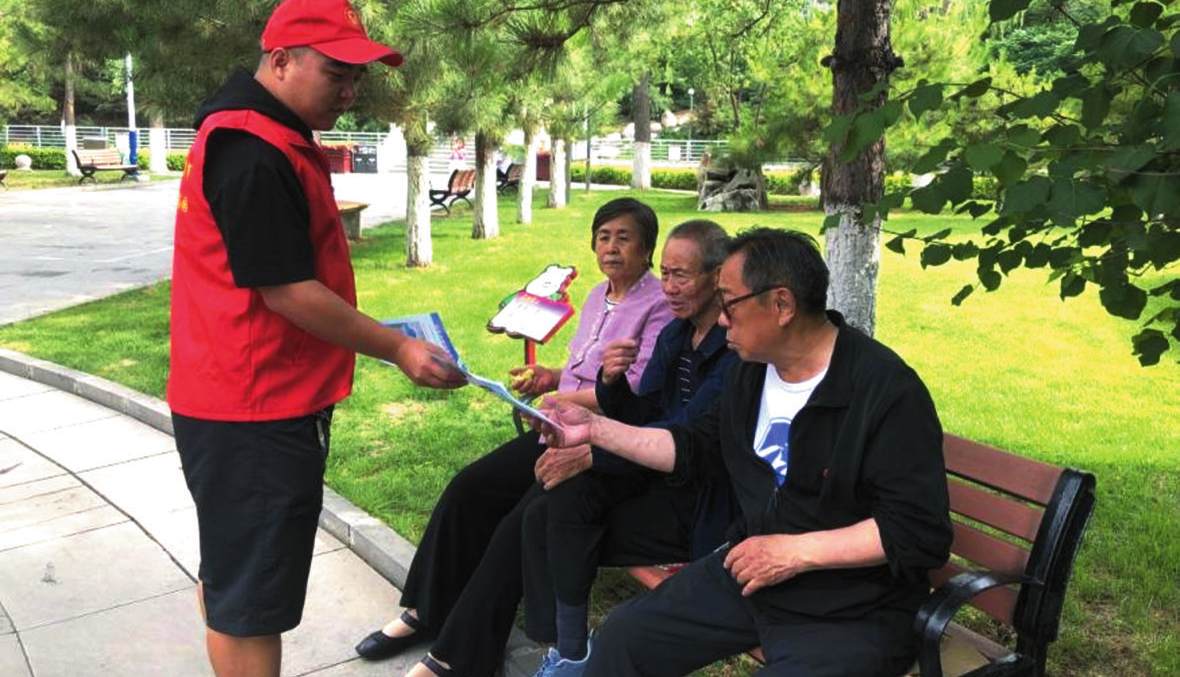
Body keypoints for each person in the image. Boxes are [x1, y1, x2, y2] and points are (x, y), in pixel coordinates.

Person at [168, 0, 466, 677]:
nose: (350, 91)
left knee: (235, 576)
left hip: (238, 397)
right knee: (250, 603)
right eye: (336, 73)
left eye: (356, 76)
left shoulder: (262, 135)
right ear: (280, 61)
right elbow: (288, 291)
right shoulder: (252, 148)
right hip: (254, 409)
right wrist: (397, 347)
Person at [541, 228, 954, 677]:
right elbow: (694, 446)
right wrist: (597, 430)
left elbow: (917, 530)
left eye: (729, 303)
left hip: (855, 607)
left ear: (782, 305)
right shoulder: (750, 373)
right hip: (753, 573)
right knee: (625, 639)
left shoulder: (884, 390)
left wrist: (793, 553)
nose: (721, 320)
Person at [353, 197, 674, 677]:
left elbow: (636, 391)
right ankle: (428, 611)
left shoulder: (659, 306)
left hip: (604, 439)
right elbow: (586, 367)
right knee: (469, 488)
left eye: (623, 238)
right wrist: (551, 377)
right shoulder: (597, 295)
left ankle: (459, 657)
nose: (611, 247)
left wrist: (563, 400)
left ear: (647, 248)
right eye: (603, 237)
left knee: (518, 524)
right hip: (557, 425)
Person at [519, 219, 738, 677]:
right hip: (658, 475)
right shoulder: (677, 335)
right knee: (552, 508)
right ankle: (569, 650)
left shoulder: (734, 350)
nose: (669, 287)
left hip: (703, 501)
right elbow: (645, 413)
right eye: (666, 273)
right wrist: (612, 383)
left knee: (563, 513)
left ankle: (571, 653)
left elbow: (687, 438)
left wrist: (594, 450)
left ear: (718, 277)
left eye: (682, 276)